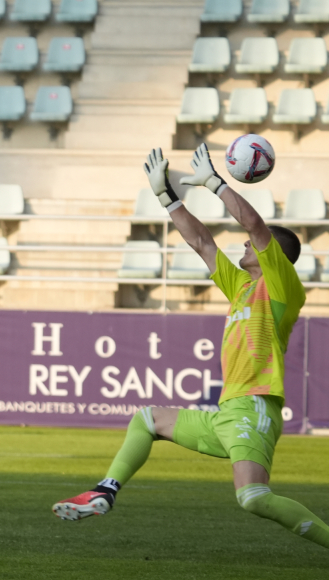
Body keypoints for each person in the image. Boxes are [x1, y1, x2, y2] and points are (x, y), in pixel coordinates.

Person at [52, 144, 329, 549]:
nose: (245, 248)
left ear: (276, 258)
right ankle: (104, 491)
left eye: (252, 248)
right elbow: (202, 242)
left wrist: (217, 184)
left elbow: (254, 226)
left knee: (253, 498)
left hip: (254, 406)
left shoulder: (281, 286)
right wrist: (167, 196)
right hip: (228, 412)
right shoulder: (242, 288)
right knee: (147, 418)